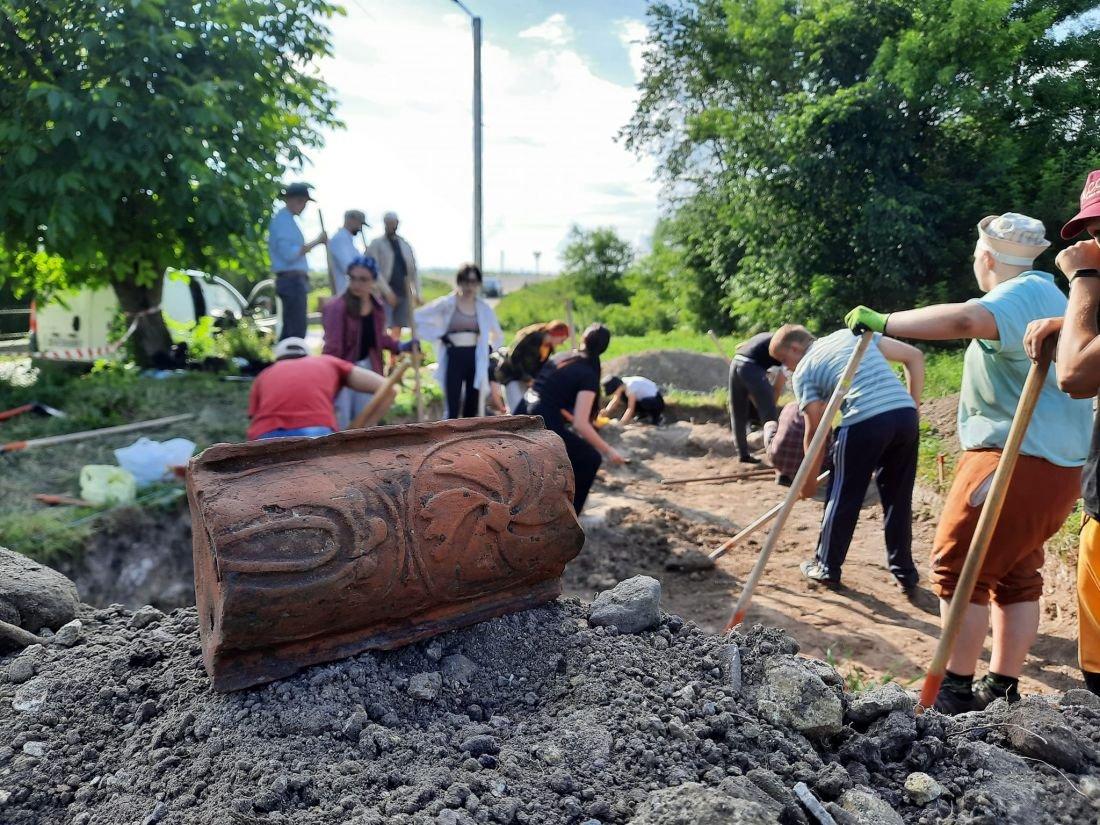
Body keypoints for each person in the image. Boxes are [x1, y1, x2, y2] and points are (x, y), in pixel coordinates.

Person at [848, 212, 1093, 712]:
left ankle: (954, 690)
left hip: (1011, 458)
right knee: (1017, 574)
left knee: (958, 569)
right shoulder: (1058, 297)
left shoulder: (1018, 293)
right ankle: (1000, 687)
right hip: (1061, 468)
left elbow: (964, 320)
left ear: (985, 258)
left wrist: (886, 321)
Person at [1022, 170, 1100, 698]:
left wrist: (1084, 280)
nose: (1094, 242)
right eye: (1092, 231)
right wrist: (1072, 322)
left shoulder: (1090, 275)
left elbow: (1075, 375)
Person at [773, 324, 924, 592]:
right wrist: (912, 408)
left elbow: (817, 430)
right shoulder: (851, 335)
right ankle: (905, 573)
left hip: (863, 421)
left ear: (795, 348)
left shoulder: (805, 369)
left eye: (785, 360)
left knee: (843, 496)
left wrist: (807, 482)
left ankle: (826, 567)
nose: (787, 368)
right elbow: (914, 356)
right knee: (898, 497)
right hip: (905, 415)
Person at [518, 324, 626, 512]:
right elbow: (581, 424)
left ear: (584, 339)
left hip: (522, 410)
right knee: (591, 458)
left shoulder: (564, 356)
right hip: (540, 420)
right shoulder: (588, 374)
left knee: (572, 451)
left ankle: (553, 501)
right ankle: (569, 516)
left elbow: (551, 393)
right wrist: (608, 451)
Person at [322, 255, 419, 429]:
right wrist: (330, 377)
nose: (357, 284)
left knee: (366, 419)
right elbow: (332, 347)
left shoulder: (376, 307)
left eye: (363, 279)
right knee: (340, 421)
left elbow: (379, 338)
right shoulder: (336, 307)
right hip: (343, 369)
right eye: (353, 278)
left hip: (368, 366)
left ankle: (361, 455)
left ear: (373, 281)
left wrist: (400, 345)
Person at [247, 337, 393, 440]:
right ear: (308, 355)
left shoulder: (264, 375)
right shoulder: (327, 362)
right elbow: (387, 388)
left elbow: (253, 418)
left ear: (277, 359)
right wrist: (366, 428)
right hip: (316, 431)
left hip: (265, 435)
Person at [415, 264, 503, 419]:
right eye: (466, 281)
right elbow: (418, 317)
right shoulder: (447, 303)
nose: (469, 286)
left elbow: (497, 335)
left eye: (474, 282)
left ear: (478, 284)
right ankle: (450, 439)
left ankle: (467, 440)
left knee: (472, 402)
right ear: (459, 281)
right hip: (453, 355)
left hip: (474, 357)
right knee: (452, 403)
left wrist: (488, 348)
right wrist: (439, 334)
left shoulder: (483, 308)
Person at [268, 183, 326, 340]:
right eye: (303, 202)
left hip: (294, 280)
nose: (304, 207)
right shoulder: (283, 221)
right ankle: (291, 362)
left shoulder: (288, 220)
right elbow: (289, 254)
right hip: (291, 280)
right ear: (292, 200)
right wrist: (317, 241)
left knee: (296, 327)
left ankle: (291, 360)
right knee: (294, 330)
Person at [729, 331, 786, 463]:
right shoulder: (787, 352)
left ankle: (743, 454)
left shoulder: (768, 337)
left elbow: (740, 346)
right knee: (770, 417)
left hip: (737, 361)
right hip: (751, 366)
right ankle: (776, 456)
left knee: (738, 412)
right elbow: (776, 389)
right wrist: (769, 405)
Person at [496, 320, 572, 412]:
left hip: (526, 382)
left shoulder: (548, 347)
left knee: (525, 411)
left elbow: (539, 368)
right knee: (516, 411)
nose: (561, 343)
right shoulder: (534, 337)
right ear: (556, 334)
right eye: (562, 339)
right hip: (512, 378)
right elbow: (514, 359)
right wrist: (527, 379)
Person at [368, 211, 419, 340]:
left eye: (394, 223)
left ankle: (395, 355)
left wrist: (417, 293)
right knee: (383, 324)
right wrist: (387, 292)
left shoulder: (405, 245)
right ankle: (383, 352)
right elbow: (374, 270)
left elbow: (413, 270)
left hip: (403, 291)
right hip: (384, 293)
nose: (392, 226)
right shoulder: (376, 244)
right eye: (389, 223)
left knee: (398, 325)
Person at [328, 211, 394, 306]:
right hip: (348, 295)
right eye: (359, 224)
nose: (360, 228)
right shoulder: (340, 240)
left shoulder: (348, 241)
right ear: (351, 221)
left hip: (356, 294)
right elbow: (349, 268)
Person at [601, 375, 666, 425]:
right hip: (643, 399)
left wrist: (622, 423)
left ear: (618, 387)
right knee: (624, 398)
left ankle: (657, 418)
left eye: (614, 391)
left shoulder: (631, 386)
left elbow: (630, 408)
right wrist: (606, 411)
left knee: (645, 403)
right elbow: (615, 400)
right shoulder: (622, 385)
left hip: (656, 401)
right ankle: (643, 415)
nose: (614, 393)